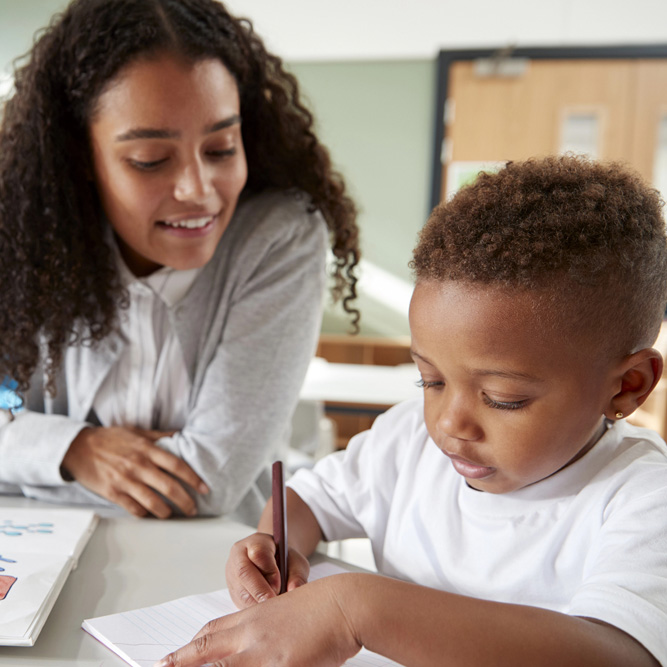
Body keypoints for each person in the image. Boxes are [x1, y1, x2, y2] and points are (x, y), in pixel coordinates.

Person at [158, 155, 667, 667]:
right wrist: (272, 543)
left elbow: (621, 654)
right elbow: (306, 498)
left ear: (628, 386)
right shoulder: (404, 441)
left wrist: (359, 608)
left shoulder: (644, 499)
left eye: (502, 398)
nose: (449, 424)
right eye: (431, 380)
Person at [0, 0, 360, 523]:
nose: (197, 190)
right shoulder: (26, 241)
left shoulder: (279, 237)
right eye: (151, 160)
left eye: (220, 148)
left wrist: (28, 457)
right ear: (81, 156)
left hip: (218, 568)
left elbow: (207, 483)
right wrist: (78, 450)